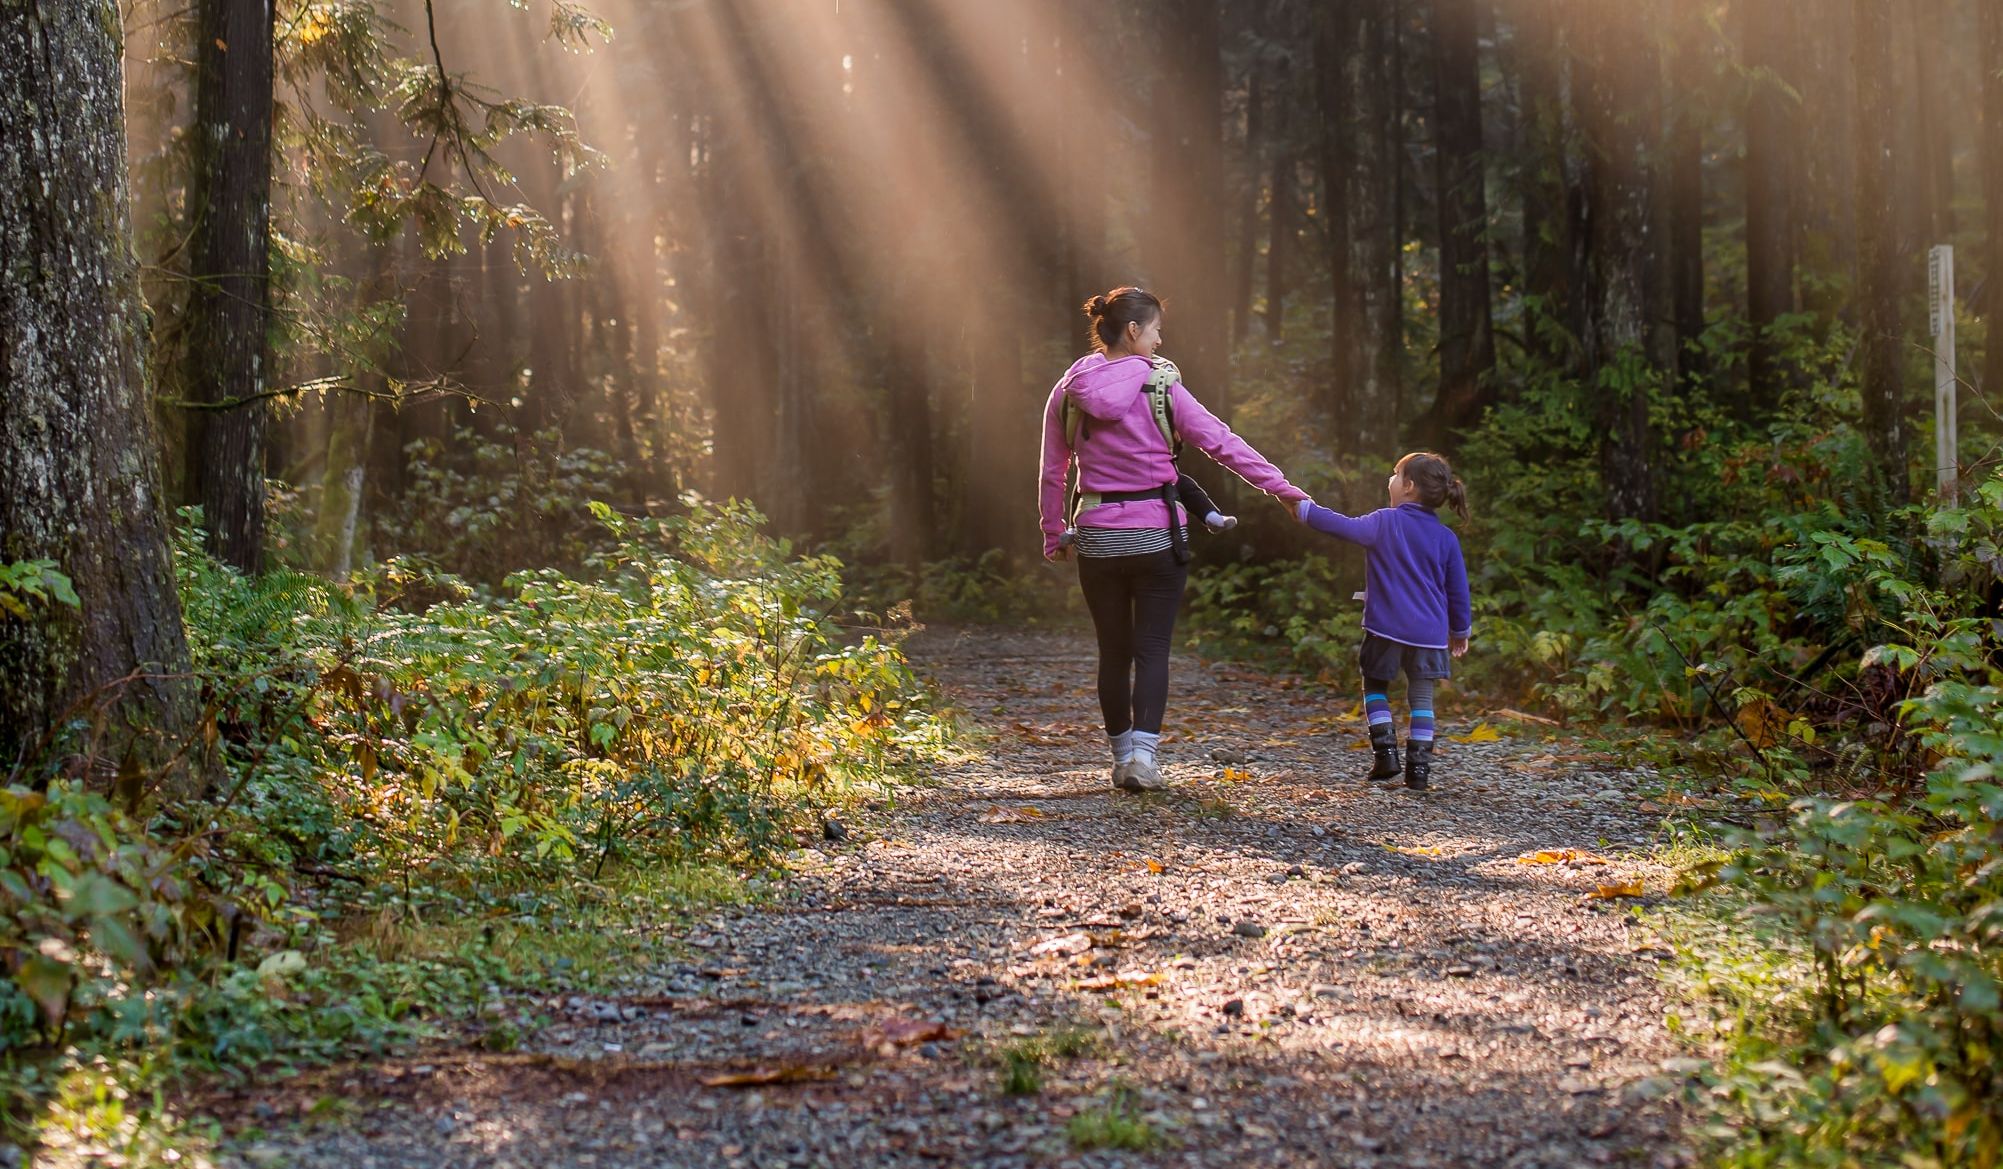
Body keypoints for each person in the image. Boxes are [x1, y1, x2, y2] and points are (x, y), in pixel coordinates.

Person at [1039, 287, 1308, 791]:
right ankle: (1144, 758)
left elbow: (1053, 470)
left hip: (1098, 536)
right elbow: (1222, 443)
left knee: (1112, 652)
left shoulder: (1069, 388)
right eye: (1157, 330)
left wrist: (1054, 531)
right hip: (1159, 536)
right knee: (1153, 650)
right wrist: (1283, 490)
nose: (1161, 341)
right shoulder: (1162, 386)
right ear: (1135, 330)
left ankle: (1120, 760)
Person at [1293, 452, 1472, 791]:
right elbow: (1458, 590)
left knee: (1375, 686)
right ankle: (1418, 771)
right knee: (1422, 699)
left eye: (1395, 474)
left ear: (1408, 486)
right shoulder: (1446, 538)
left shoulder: (1384, 522)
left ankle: (1386, 754)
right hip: (1430, 634)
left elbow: (1342, 526)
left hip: (1386, 627)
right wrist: (1459, 630)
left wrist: (1304, 510)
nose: (1389, 480)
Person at [1059, 472, 1237, 551]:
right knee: (1182, 483)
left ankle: (1073, 528)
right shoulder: (1156, 395)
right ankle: (1212, 517)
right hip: (1144, 467)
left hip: (1101, 480)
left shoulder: (1079, 398)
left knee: (1084, 487)